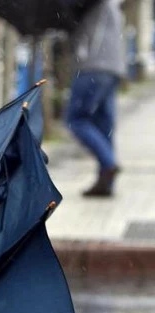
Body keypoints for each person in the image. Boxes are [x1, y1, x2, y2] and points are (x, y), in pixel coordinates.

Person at [66, 0, 126, 197]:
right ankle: (105, 182)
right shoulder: (112, 5)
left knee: (76, 119)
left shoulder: (94, 5)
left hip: (93, 66)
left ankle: (108, 164)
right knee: (104, 125)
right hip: (113, 67)